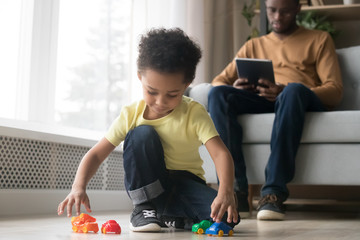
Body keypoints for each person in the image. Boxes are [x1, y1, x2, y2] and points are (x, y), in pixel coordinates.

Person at [57, 28, 240, 232]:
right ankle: (144, 208)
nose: (160, 102)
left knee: (226, 218)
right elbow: (97, 154)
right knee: (141, 133)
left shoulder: (194, 112)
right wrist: (78, 186)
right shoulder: (131, 114)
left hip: (184, 184)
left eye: (172, 94)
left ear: (187, 84)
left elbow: (220, 153)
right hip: (149, 185)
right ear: (140, 77)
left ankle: (166, 216)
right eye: (151, 92)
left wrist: (225, 190)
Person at [208, 0, 343, 221]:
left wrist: (285, 89)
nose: (278, 17)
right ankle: (236, 192)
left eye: (285, 12)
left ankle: (273, 193)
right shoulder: (254, 45)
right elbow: (217, 82)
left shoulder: (319, 39)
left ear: (298, 9)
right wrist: (235, 86)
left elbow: (335, 91)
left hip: (298, 99)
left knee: (292, 91)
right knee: (219, 94)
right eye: (272, 10)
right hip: (261, 98)